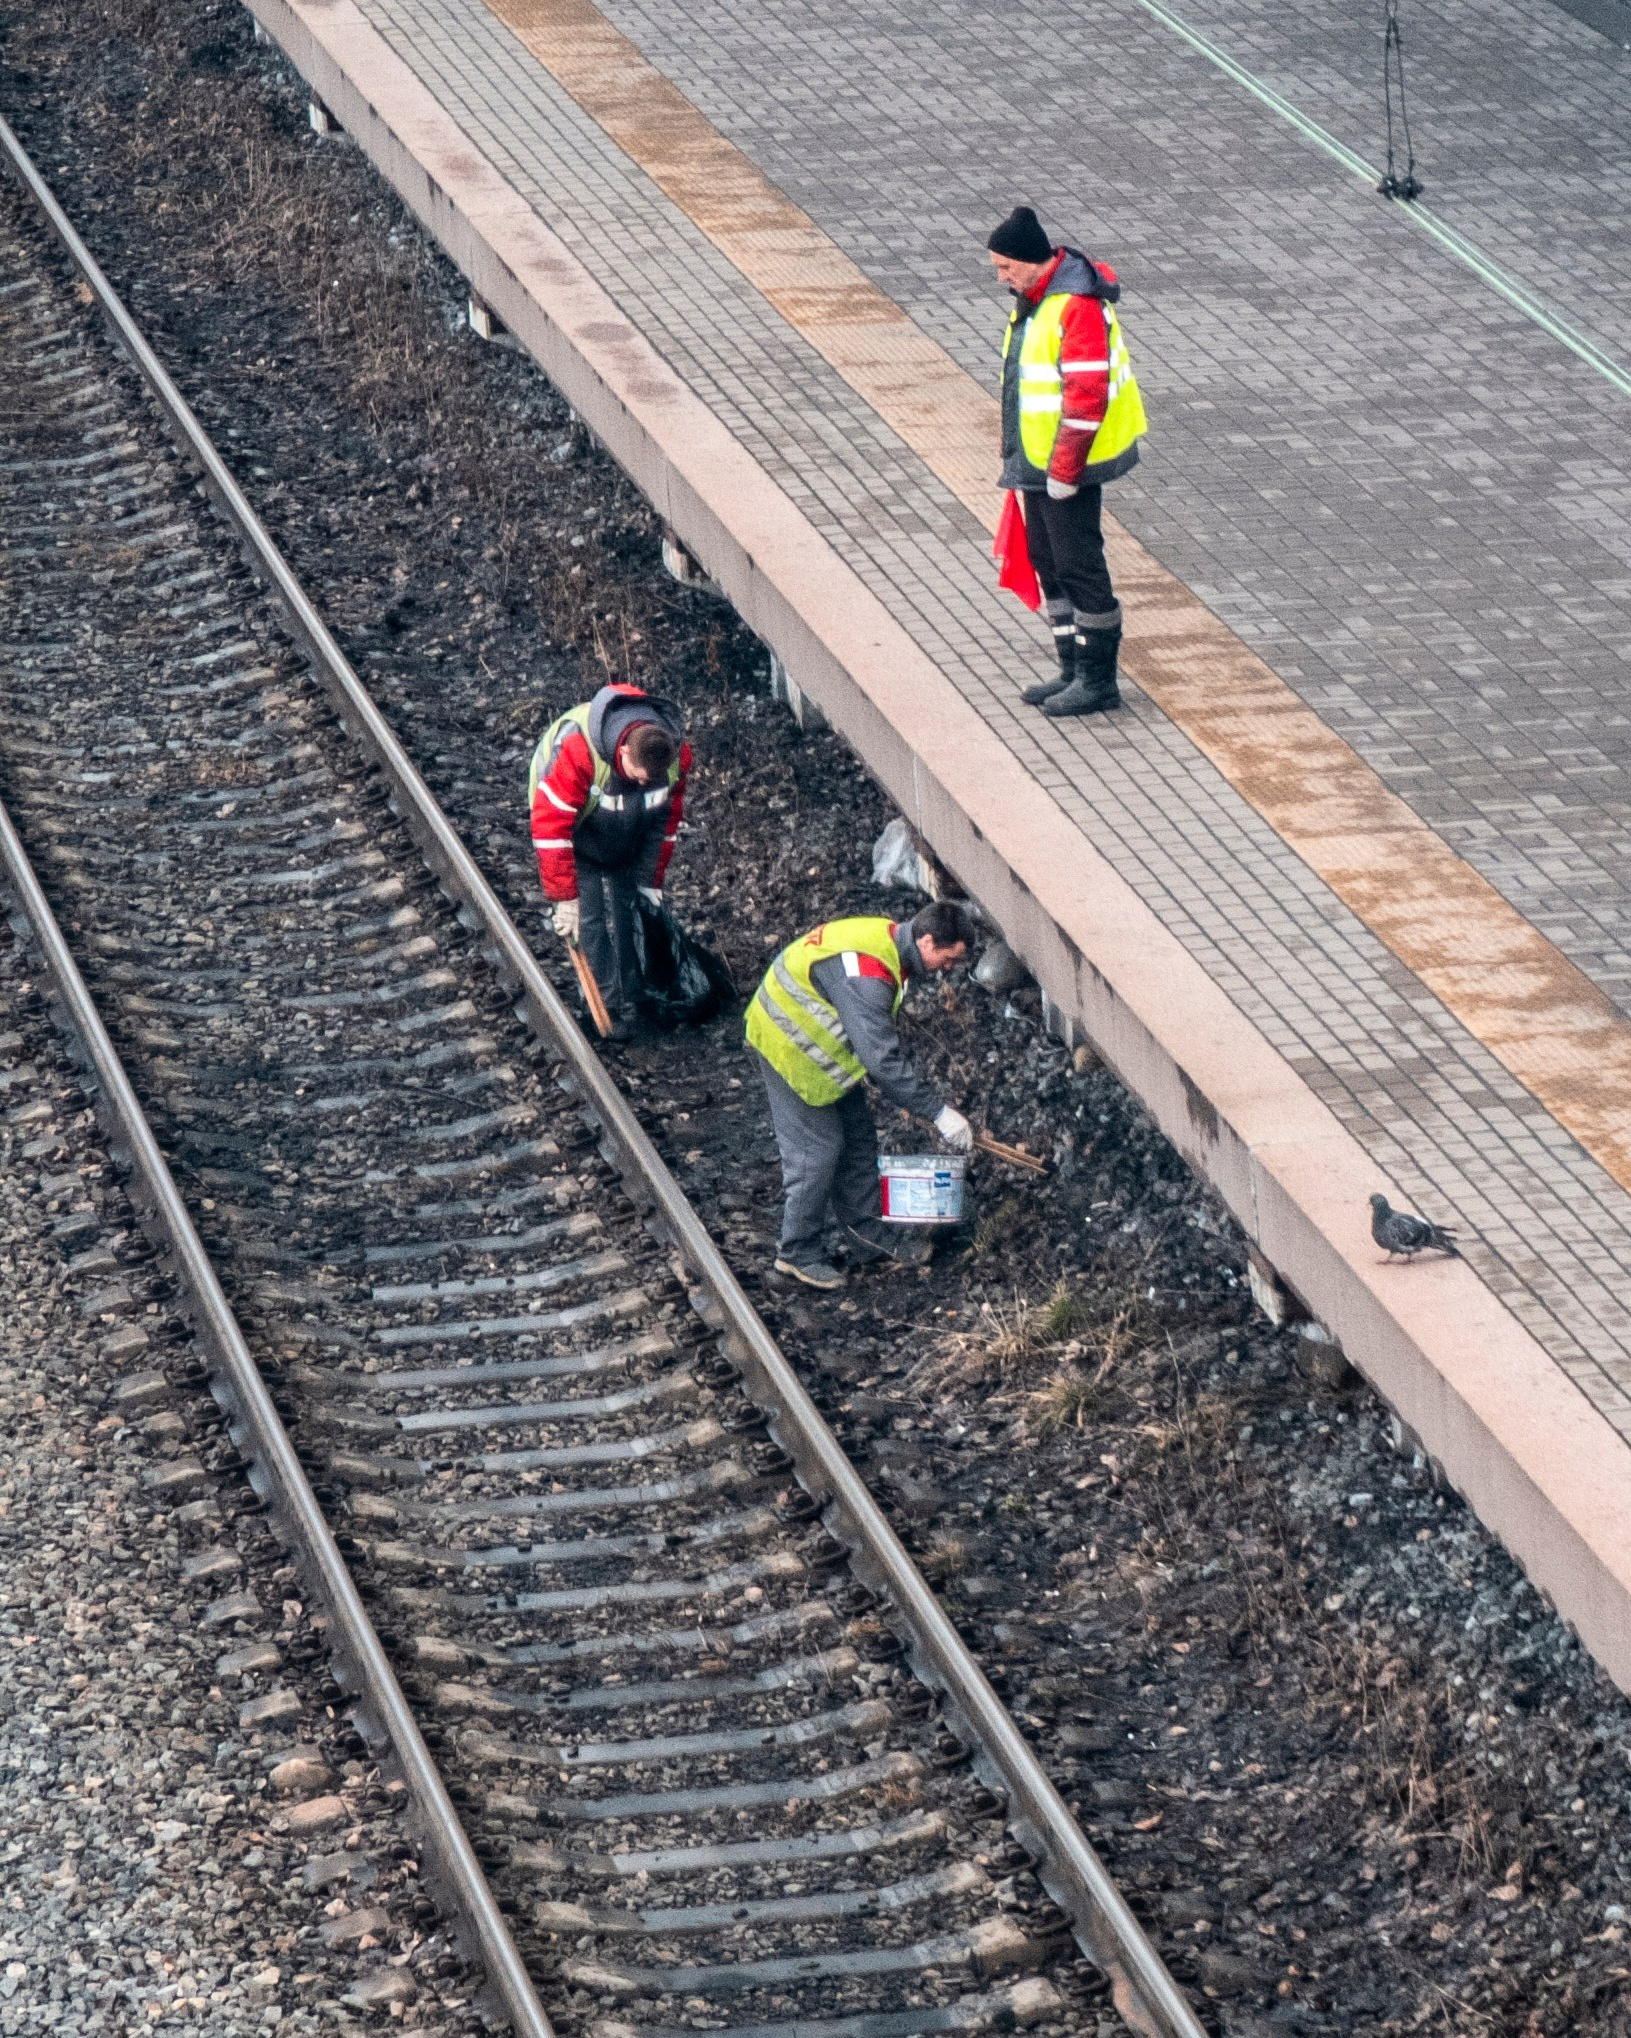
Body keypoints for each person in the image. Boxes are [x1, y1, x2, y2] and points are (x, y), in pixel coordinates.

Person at [745, 900, 977, 1291]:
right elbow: (882, 1061)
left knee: (857, 1142)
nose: (948, 969)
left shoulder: (887, 941)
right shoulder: (868, 974)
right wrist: (938, 1112)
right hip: (787, 1048)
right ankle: (796, 1253)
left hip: (822, 1054)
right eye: (948, 958)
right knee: (817, 1154)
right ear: (927, 941)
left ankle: (870, 1239)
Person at [988, 204, 1147, 718]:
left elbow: (1085, 395)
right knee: (1046, 558)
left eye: (1007, 268)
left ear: (1034, 261)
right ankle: (1072, 668)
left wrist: (1064, 471)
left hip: (1066, 465)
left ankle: (1099, 682)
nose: (1001, 278)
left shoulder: (1072, 306)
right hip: (1038, 460)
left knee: (1079, 566)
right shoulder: (1034, 299)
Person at [529, 680, 691, 1039]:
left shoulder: (672, 759)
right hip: (580, 837)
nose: (646, 782)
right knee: (590, 919)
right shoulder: (578, 752)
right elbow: (551, 827)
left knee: (630, 910)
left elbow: (664, 825)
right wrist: (563, 897)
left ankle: (636, 994)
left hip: (627, 836)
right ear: (623, 755)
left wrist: (651, 882)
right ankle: (604, 1005)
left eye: (653, 779)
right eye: (639, 775)